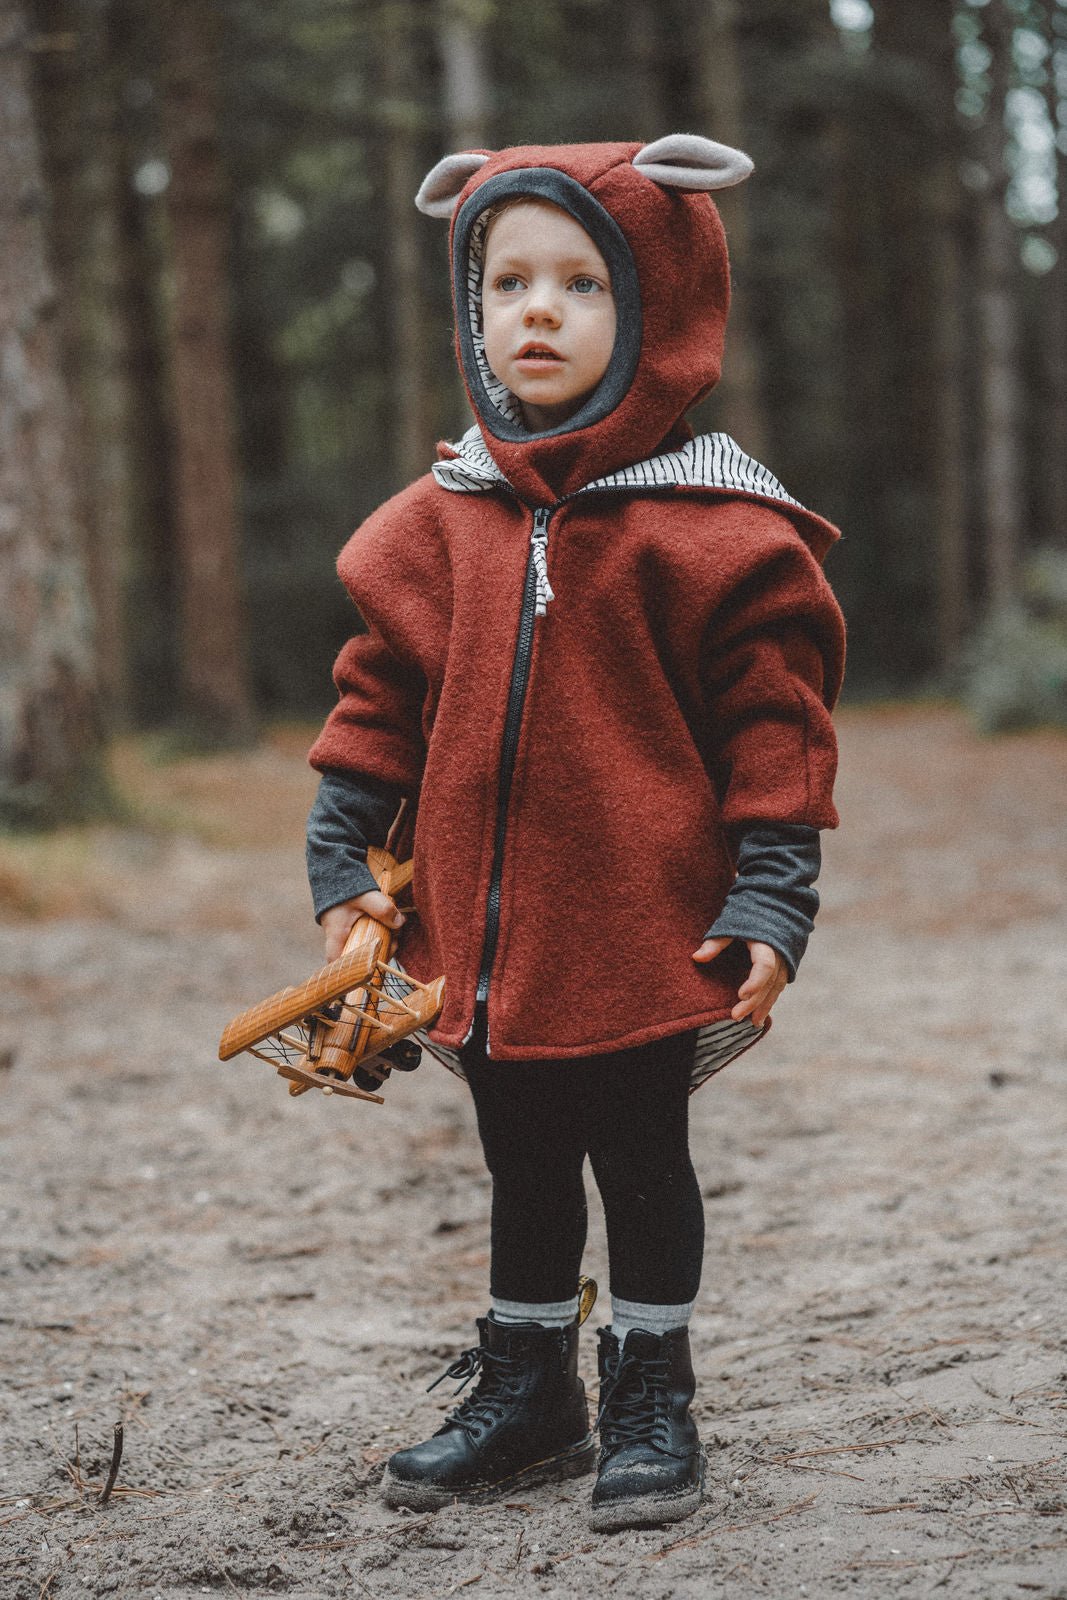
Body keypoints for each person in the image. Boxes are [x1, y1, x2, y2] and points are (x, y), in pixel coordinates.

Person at [305, 136, 845, 1532]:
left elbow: (774, 737)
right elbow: (373, 716)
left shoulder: (713, 531)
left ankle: (652, 1385)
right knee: (522, 1162)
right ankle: (530, 1381)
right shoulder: (438, 522)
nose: (535, 311)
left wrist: (775, 898)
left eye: (583, 283)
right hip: (475, 945)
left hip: (643, 926)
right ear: (469, 310)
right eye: (505, 281)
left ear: (660, 313)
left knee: (641, 1159)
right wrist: (341, 874)